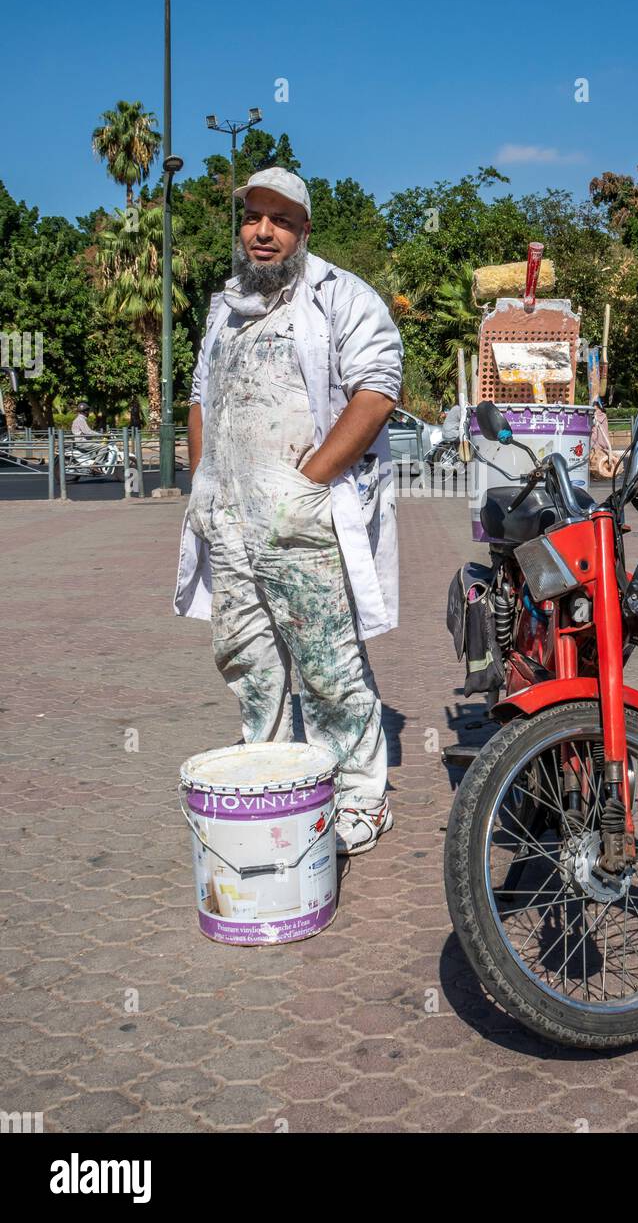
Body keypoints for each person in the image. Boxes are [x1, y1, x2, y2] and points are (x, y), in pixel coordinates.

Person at [174, 168, 403, 856]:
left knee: (327, 664)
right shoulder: (224, 308)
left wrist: (307, 485)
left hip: (301, 521)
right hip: (232, 521)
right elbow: (199, 400)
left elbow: (377, 390)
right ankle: (272, 776)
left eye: (280, 219)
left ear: (304, 230)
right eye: (253, 218)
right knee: (248, 660)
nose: (263, 231)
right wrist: (203, 484)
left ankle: (361, 797)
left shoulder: (341, 297)